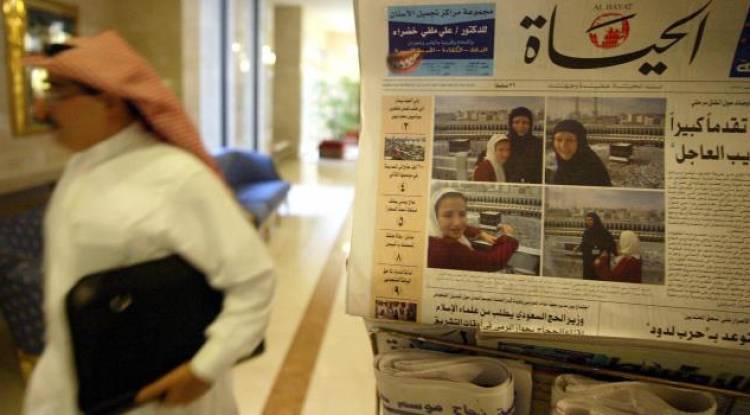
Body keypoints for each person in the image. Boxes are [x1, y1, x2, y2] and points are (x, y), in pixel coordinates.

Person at [23, 32, 275, 414]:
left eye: (57, 92)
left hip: (157, 398)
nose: (42, 110)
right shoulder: (79, 167)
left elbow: (254, 280)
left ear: (108, 100)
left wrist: (205, 368)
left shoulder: (175, 177)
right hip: (74, 383)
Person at [427, 188, 518, 272]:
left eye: (462, 214)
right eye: (448, 215)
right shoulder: (448, 250)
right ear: (434, 217)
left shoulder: (431, 233)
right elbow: (491, 262)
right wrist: (508, 237)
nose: (457, 223)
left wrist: (481, 234)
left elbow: (463, 228)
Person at [550, 119, 612, 187]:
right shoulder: (563, 167)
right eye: (559, 140)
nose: (563, 145)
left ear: (580, 142)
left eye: (570, 140)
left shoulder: (593, 171)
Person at [503, 106, 543, 184]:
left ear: (530, 125)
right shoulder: (503, 142)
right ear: (511, 124)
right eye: (516, 122)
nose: (521, 126)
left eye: (525, 122)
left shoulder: (537, 143)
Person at [580, 212, 616, 280]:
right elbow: (584, 243)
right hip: (588, 262)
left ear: (595, 220)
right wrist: (580, 247)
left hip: (600, 260)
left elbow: (611, 243)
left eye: (590, 220)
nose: (588, 222)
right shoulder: (586, 232)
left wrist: (605, 251)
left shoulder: (604, 232)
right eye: (587, 220)